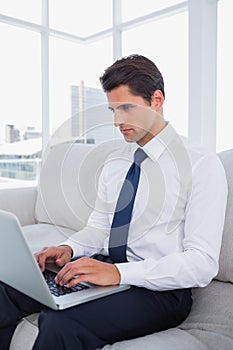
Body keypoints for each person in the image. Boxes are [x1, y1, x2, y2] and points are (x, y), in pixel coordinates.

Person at [0, 54, 228, 350]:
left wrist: (118, 273)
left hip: (160, 291)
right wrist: (69, 248)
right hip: (106, 267)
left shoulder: (201, 164)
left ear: (156, 100)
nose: (117, 121)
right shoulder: (116, 162)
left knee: (59, 325)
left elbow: (202, 263)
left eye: (126, 108)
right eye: (112, 110)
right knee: (6, 288)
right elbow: (99, 228)